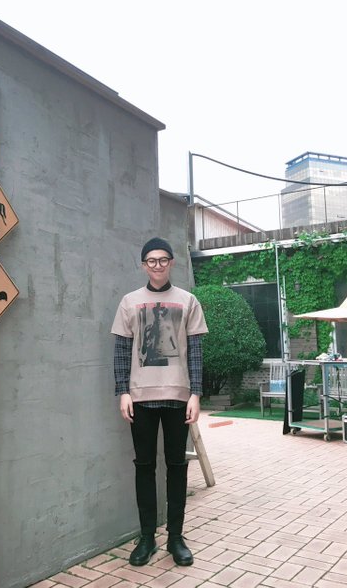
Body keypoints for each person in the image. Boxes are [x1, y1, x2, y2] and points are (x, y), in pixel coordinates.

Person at [111, 237, 208, 567]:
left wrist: (196, 394)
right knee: (144, 467)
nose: (157, 265)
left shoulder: (188, 301)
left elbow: (195, 352)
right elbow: (121, 351)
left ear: (171, 263)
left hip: (178, 397)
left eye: (163, 259)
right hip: (141, 397)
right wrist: (123, 391)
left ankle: (175, 538)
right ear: (143, 265)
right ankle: (147, 537)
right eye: (151, 260)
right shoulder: (129, 302)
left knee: (177, 467)